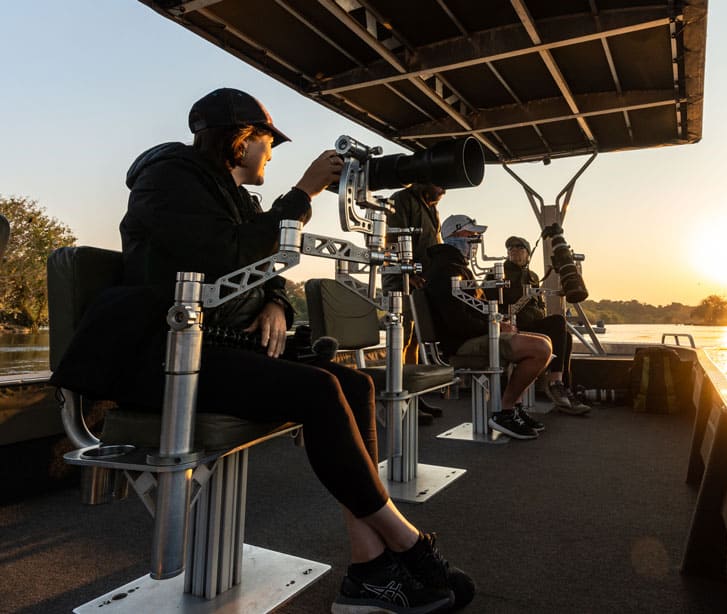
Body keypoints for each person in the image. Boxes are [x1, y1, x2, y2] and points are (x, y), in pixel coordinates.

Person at [52, 88, 471, 614]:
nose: (272, 153)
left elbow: (258, 264)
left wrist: (275, 302)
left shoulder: (238, 200)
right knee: (318, 389)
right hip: (159, 356)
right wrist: (303, 192)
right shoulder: (168, 179)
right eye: (268, 141)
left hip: (216, 351)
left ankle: (368, 568)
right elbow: (219, 256)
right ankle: (407, 542)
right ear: (242, 139)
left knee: (355, 382)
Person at [422, 215, 553, 440]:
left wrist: (498, 324)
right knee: (540, 348)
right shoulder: (446, 270)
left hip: (471, 336)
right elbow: (456, 321)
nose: (476, 239)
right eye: (471, 234)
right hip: (459, 344)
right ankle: (504, 410)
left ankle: (513, 408)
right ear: (455, 235)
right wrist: (493, 327)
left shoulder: (456, 266)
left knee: (546, 341)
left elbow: (471, 310)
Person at [499, 236, 591, 415]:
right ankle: (555, 384)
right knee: (557, 322)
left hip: (532, 324)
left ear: (527, 254)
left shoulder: (532, 277)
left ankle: (562, 387)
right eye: (511, 247)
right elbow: (489, 301)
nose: (514, 249)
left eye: (519, 247)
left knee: (565, 335)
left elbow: (538, 306)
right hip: (514, 326)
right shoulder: (500, 273)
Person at [382, 182, 447, 422]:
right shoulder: (402, 199)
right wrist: (408, 274)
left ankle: (412, 395)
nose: (443, 192)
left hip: (421, 281)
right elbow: (395, 237)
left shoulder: (431, 208)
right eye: (440, 187)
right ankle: (397, 399)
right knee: (400, 340)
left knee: (414, 341)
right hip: (401, 280)